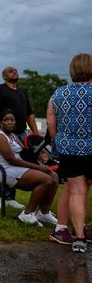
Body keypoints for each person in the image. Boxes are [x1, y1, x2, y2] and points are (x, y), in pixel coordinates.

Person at [47, 53, 92, 253]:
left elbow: (51, 124)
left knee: (76, 191)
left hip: (69, 149)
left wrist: (59, 141)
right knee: (84, 190)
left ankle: (79, 238)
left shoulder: (58, 94)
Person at [0, 109, 59, 226]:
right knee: (46, 180)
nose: (10, 122)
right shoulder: (0, 137)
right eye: (6, 120)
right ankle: (27, 214)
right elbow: (11, 159)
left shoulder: (12, 135)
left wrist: (39, 162)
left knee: (54, 176)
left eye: (12, 120)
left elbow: (25, 153)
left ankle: (44, 212)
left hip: (15, 167)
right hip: (2, 169)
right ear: (1, 122)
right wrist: (38, 168)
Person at [0, 66, 38, 210]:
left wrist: (35, 133)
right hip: (4, 133)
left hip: (20, 133)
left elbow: (30, 113)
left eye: (15, 70)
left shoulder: (22, 92)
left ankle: (10, 198)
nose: (14, 72)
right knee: (2, 163)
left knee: (17, 164)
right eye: (10, 71)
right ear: (4, 76)